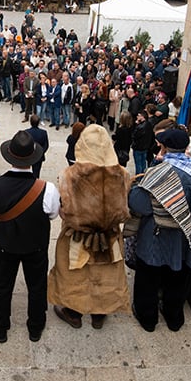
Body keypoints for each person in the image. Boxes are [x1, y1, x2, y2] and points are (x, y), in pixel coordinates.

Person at [128, 128, 191, 332]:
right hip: (188, 237)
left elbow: (140, 205)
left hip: (158, 237)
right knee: (178, 278)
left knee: (148, 278)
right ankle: (174, 317)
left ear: (164, 148)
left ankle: (148, 318)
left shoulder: (160, 172)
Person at [48, 125, 131, 330]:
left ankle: (73, 312)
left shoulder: (69, 175)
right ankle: (99, 314)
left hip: (77, 235)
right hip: (109, 237)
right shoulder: (123, 174)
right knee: (105, 274)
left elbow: (64, 209)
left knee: (74, 275)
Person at [0, 130, 61, 343]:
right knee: (36, 286)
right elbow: (53, 214)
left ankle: (0, 325)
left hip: (4, 245)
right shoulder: (48, 188)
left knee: (2, 285)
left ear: (10, 155)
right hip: (35, 245)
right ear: (33, 158)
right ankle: (35, 326)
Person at [25, 115, 49, 179]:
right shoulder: (43, 133)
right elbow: (46, 145)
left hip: (29, 155)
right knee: (36, 173)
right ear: (38, 123)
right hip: (39, 156)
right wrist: (41, 152)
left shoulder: (26, 132)